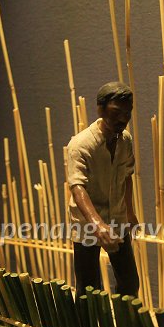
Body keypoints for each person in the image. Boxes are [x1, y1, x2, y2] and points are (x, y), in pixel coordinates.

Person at [66, 81, 139, 298]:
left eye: (128, 112)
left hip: (117, 219)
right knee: (88, 289)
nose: (123, 119)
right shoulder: (80, 145)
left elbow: (127, 176)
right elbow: (77, 187)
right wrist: (97, 224)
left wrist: (129, 211)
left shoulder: (125, 140)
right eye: (117, 112)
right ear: (100, 108)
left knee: (130, 283)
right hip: (86, 225)